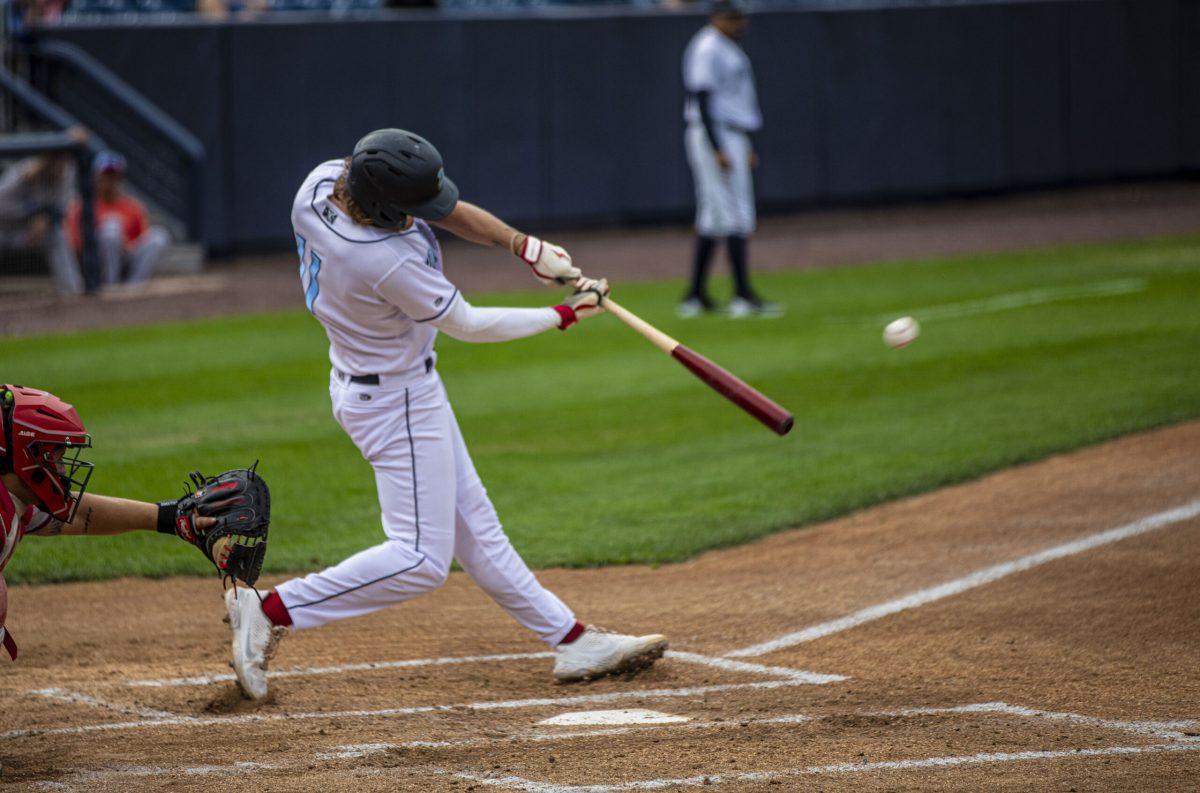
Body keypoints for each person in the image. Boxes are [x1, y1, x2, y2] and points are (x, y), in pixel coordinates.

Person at [223, 128, 668, 700]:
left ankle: (573, 639)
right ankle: (270, 608)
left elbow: (450, 210)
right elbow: (468, 325)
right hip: (395, 401)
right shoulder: (380, 262)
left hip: (386, 385)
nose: (430, 212)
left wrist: (523, 247)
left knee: (477, 532)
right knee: (419, 560)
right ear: (384, 205)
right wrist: (566, 314)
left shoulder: (319, 186)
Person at [0, 384, 237, 661]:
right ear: (24, 455)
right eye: (54, 456)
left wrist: (172, 518)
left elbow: (76, 515)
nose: (62, 470)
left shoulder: (13, 499)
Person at [679, 0, 780, 319]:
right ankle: (742, 296)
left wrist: (742, 142)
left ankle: (695, 296)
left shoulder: (725, 46)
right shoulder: (708, 47)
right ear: (716, 17)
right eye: (733, 17)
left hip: (732, 132)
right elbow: (703, 96)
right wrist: (718, 146)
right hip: (716, 133)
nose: (740, 23)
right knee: (735, 214)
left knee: (712, 216)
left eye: (740, 17)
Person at [66, 151, 170, 287]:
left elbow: (140, 240)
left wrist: (123, 245)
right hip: (96, 265)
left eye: (114, 176)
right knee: (111, 228)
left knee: (159, 236)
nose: (110, 181)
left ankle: (133, 289)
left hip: (125, 260)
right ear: (95, 177)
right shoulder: (82, 205)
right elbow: (76, 246)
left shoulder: (133, 206)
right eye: (106, 176)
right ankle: (110, 288)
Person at [0, 150, 82, 295]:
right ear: (46, 161)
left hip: (26, 234)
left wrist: (45, 217)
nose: (61, 165)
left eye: (64, 160)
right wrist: (33, 212)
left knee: (56, 235)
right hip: (4, 231)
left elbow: (62, 208)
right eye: (57, 160)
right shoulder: (23, 173)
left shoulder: (67, 174)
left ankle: (72, 292)